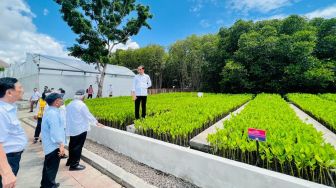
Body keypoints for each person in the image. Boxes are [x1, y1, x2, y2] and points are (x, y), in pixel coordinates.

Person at [65, 89, 104, 171]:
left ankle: (70, 161)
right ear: (82, 97)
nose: (85, 97)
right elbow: (88, 115)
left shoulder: (70, 104)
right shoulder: (81, 105)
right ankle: (74, 165)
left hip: (72, 129)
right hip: (80, 129)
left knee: (72, 145)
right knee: (78, 147)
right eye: (84, 96)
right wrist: (96, 123)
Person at [0, 77, 28, 188]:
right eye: (20, 87)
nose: (22, 90)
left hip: (12, 158)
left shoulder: (9, 108)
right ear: (9, 92)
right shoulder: (1, 112)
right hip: (7, 159)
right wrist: (6, 172)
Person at [40, 93, 65, 188]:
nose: (62, 100)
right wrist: (61, 145)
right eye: (60, 99)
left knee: (49, 167)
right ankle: (49, 185)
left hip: (50, 144)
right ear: (56, 102)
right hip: (53, 145)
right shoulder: (53, 114)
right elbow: (55, 132)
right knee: (51, 167)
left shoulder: (51, 111)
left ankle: (48, 184)